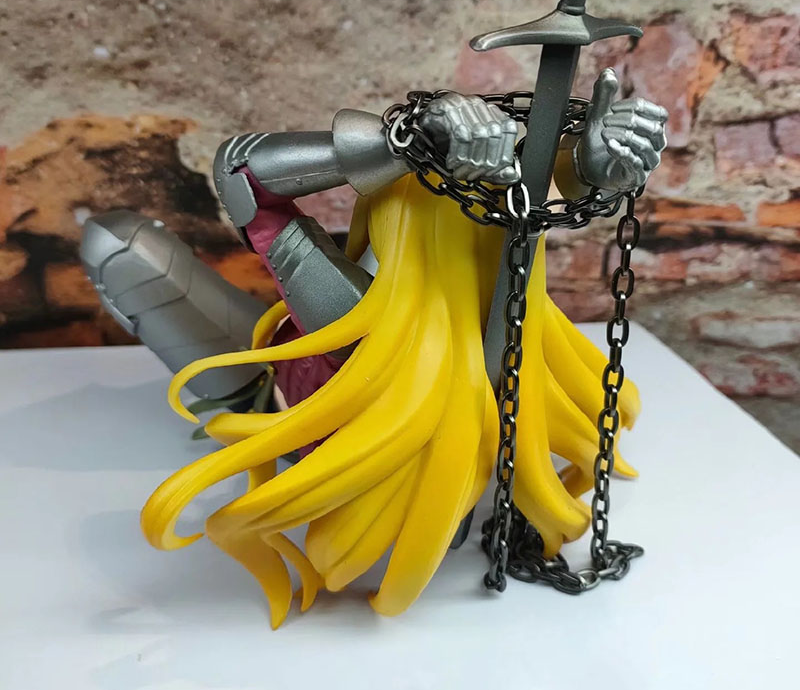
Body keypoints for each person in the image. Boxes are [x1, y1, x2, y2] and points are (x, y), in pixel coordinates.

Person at [81, 68, 667, 627]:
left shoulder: (487, 323)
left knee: (117, 248)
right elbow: (240, 173)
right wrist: (405, 144)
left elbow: (241, 179)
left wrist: (581, 165)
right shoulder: (365, 312)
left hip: (308, 410)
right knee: (123, 249)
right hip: (273, 388)